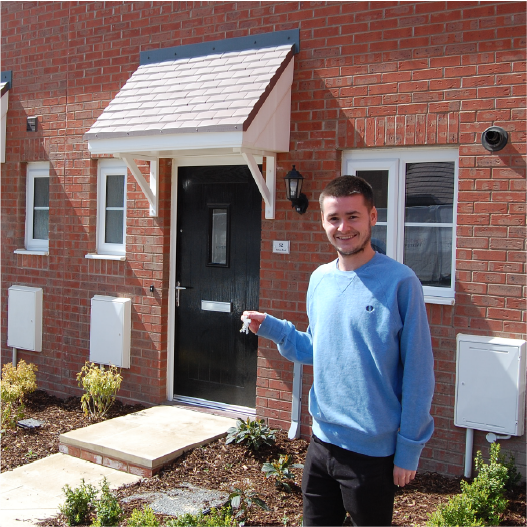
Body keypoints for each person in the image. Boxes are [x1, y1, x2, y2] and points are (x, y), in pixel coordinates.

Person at [242, 176, 435, 527]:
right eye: (334, 218)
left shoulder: (401, 283)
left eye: (353, 216)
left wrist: (409, 449)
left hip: (372, 455)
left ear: (373, 216)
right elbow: (318, 349)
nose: (343, 227)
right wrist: (271, 327)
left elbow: (419, 374)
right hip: (321, 443)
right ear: (323, 221)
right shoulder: (319, 279)